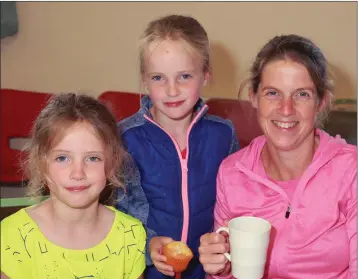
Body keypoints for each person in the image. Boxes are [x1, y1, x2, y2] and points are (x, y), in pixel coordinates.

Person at [198, 34, 357, 278]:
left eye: (301, 94)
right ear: (254, 97)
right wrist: (221, 267)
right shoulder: (232, 173)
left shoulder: (351, 170)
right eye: (272, 93)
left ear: (321, 102)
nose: (286, 109)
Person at [116, 15, 240, 279]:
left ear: (206, 74)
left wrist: (225, 243)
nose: (172, 90)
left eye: (184, 76)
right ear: (144, 79)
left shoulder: (223, 134)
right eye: (159, 77)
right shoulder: (125, 138)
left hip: (205, 273)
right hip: (144, 272)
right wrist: (148, 244)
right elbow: (115, 215)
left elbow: (234, 208)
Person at [1, 93, 146, 279]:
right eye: (62, 158)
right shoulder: (12, 236)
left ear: (112, 163)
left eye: (93, 158)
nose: (78, 173)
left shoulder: (130, 235)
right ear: (42, 163)